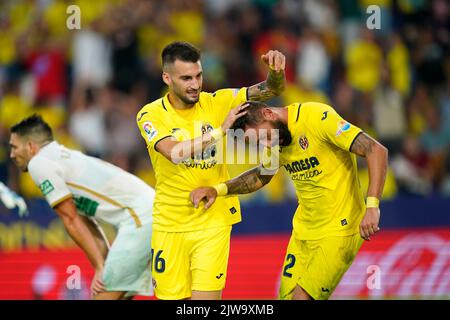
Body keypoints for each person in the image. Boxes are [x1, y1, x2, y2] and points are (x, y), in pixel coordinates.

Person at [190, 100, 388, 300]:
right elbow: (263, 175)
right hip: (304, 231)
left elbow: (376, 150)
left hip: (340, 228)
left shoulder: (316, 118)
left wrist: (372, 206)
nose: (267, 145)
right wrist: (219, 189)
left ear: (268, 113)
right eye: (260, 143)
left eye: (264, 137)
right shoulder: (275, 137)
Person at [136, 41, 286, 300]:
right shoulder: (150, 115)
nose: (195, 84)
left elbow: (271, 89)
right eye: (186, 78)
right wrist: (220, 131)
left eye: (198, 76)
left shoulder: (218, 101)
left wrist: (275, 72)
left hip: (212, 222)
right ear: (167, 78)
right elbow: (174, 153)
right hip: (169, 225)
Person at [10, 114, 154, 300]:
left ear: (30, 146)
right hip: (149, 213)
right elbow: (86, 222)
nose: (11, 154)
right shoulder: (62, 159)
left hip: (141, 217)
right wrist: (102, 263)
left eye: (14, 147)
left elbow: (70, 219)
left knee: (104, 294)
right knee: (119, 296)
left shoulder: (39, 163)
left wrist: (100, 267)